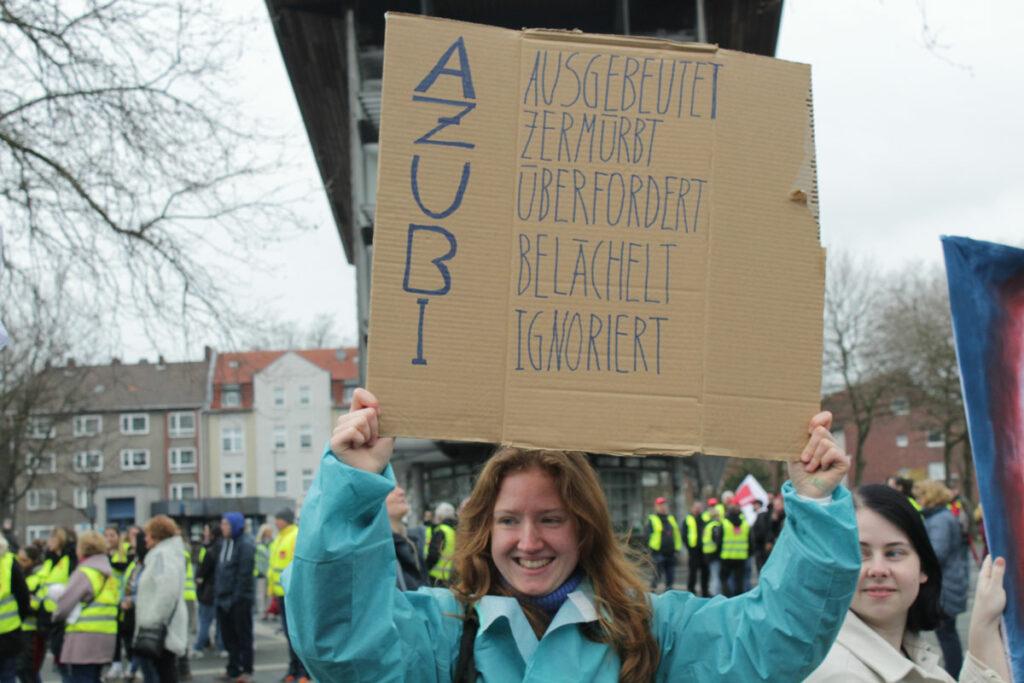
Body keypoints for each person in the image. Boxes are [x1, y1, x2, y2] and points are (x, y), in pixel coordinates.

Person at [286, 388, 860, 681]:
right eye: (509, 520)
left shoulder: (652, 632)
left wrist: (813, 502)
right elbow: (341, 648)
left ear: (585, 529)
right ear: (485, 531)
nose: (528, 541)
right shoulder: (442, 633)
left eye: (551, 519)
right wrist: (353, 484)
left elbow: (774, 646)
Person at [806, 484, 1010, 682]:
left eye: (894, 553)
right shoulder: (839, 675)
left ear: (923, 567)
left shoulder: (913, 654)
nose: (878, 570)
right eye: (860, 554)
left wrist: (983, 626)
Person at [916, 479, 970, 676]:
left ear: (930, 496)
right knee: (948, 633)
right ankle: (955, 671)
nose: (918, 500)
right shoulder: (942, 516)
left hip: (946, 587)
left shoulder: (939, 519)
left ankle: (954, 674)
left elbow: (937, 553)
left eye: (921, 495)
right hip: (950, 583)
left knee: (946, 634)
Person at [52, 530, 117, 683]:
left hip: (84, 638)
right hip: (106, 636)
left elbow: (65, 604)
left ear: (82, 549)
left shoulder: (85, 572)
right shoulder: (108, 573)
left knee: (81, 678)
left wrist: (54, 616)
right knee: (94, 678)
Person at [134, 516, 188, 683]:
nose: (145, 539)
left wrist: (154, 619)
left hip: (162, 627)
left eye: (148, 534)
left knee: (165, 670)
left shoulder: (162, 556)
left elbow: (167, 590)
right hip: (164, 624)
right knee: (164, 670)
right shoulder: (164, 554)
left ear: (157, 535)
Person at [268, 509, 307, 683]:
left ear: (286, 520)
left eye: (278, 519)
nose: (276, 522)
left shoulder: (295, 535)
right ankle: (293, 669)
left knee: (298, 635)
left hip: (293, 595)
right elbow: (273, 567)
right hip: (280, 594)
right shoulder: (279, 538)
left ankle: (303, 672)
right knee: (289, 635)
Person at [214, 514, 254, 683]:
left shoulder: (245, 544)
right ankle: (233, 668)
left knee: (243, 636)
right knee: (228, 637)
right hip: (222, 599)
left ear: (235, 525)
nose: (222, 527)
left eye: (225, 524)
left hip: (239, 600)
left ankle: (246, 670)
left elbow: (244, 575)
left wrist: (235, 598)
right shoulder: (225, 543)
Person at [0, 534, 31, 683]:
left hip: (9, 634)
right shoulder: (9, 561)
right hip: (9, 632)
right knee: (7, 676)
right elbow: (23, 596)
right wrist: (18, 619)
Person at [388, 484, 427, 591]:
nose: (401, 492)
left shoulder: (412, 542)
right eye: (391, 489)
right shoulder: (378, 552)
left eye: (399, 487)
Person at [15, 543, 45, 683]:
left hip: (31, 631)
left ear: (33, 561)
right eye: (19, 559)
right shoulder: (19, 575)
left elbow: (35, 605)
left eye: (24, 560)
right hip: (17, 629)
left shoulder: (36, 578)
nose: (20, 563)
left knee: (28, 671)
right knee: (22, 671)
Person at [191, 525, 222, 655]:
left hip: (208, 590)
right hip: (219, 589)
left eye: (206, 531)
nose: (204, 533)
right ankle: (221, 646)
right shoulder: (225, 547)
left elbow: (202, 572)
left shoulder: (210, 550)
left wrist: (199, 579)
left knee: (204, 620)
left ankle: (199, 646)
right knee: (219, 622)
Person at [644, 497, 682, 592]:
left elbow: (676, 534)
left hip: (670, 551)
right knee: (657, 573)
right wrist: (652, 548)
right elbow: (647, 536)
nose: (662, 507)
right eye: (660, 505)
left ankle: (669, 590)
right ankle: (652, 590)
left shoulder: (671, 518)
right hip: (658, 551)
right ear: (656, 507)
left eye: (664, 505)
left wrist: (677, 548)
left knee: (670, 574)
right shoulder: (652, 519)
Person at [719, 504, 752, 597]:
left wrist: (718, 553)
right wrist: (749, 553)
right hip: (741, 556)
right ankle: (738, 598)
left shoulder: (725, 523)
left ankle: (728, 596)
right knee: (739, 580)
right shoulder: (745, 523)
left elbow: (719, 540)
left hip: (727, 556)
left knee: (724, 578)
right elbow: (750, 540)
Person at [424, 502, 457, 587]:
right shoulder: (455, 530)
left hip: (436, 577)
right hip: (451, 576)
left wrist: (425, 569)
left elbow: (433, 554)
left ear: (440, 516)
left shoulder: (441, 531)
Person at [683, 501, 706, 596]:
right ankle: (691, 590)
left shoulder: (705, 518)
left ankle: (705, 590)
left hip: (704, 550)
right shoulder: (688, 519)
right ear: (692, 508)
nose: (697, 509)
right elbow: (684, 535)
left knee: (705, 572)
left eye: (699, 507)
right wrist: (689, 546)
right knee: (693, 572)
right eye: (696, 507)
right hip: (693, 550)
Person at [701, 505, 723, 596]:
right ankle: (715, 595)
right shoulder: (715, 526)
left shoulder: (708, 525)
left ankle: (713, 592)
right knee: (716, 576)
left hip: (707, 553)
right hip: (715, 554)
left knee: (712, 575)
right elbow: (717, 541)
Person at [253, 525, 272, 619]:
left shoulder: (272, 543)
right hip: (260, 573)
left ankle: (267, 611)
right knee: (260, 594)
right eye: (267, 532)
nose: (269, 534)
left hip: (269, 573)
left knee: (268, 594)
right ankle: (262, 612)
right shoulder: (258, 544)